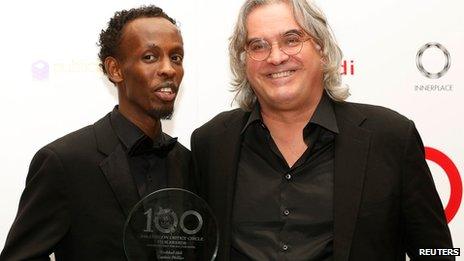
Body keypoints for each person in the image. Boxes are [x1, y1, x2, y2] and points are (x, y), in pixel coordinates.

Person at [190, 0, 453, 260]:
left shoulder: (391, 137)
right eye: (258, 46)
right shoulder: (211, 143)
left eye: (291, 40)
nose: (276, 57)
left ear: (322, 49)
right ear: (244, 62)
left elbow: (437, 251)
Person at [1, 5, 190, 260]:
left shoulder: (189, 163)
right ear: (115, 69)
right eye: (150, 57)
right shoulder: (64, 163)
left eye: (176, 57)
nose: (169, 69)